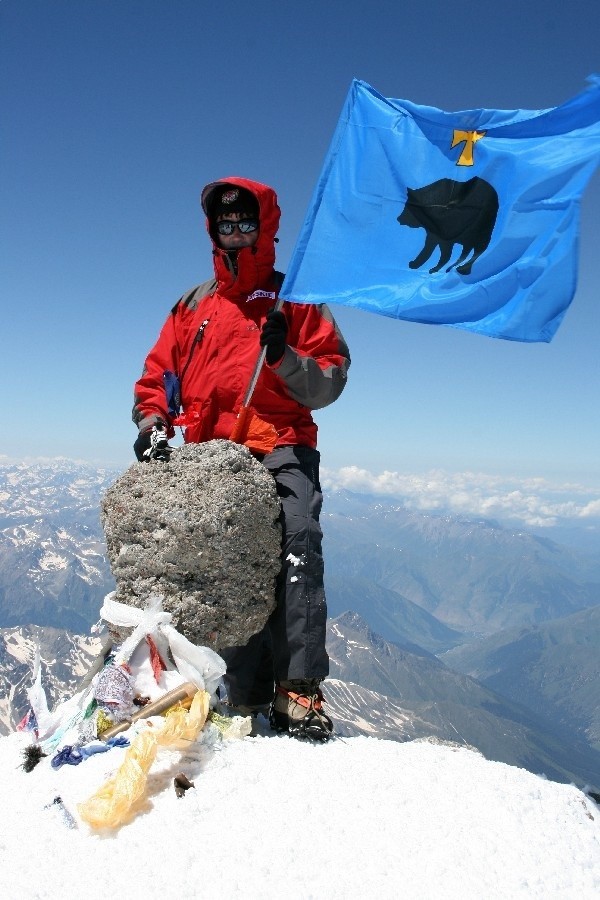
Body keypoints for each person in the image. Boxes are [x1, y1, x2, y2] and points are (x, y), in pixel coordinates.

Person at [132, 177, 350, 740]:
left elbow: (330, 379)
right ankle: (247, 693)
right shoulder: (194, 305)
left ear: (266, 226)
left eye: (245, 223)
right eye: (225, 225)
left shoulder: (293, 298)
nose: (234, 233)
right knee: (228, 566)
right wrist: (153, 423)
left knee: (296, 542)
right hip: (210, 454)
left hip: (279, 443)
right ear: (213, 230)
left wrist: (283, 356)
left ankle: (298, 690)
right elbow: (158, 374)